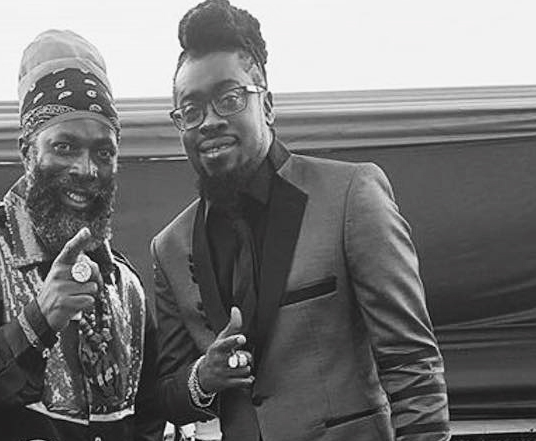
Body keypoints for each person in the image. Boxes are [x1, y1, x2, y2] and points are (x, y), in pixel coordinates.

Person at [151, 1, 450, 440]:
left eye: (229, 99)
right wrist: (203, 377)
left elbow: (411, 362)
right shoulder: (171, 247)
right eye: (191, 110)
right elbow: (166, 394)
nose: (209, 121)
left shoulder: (350, 195)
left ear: (267, 106)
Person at [0, 29, 163, 441]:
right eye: (65, 147)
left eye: (103, 152)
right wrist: (36, 322)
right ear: (27, 152)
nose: (86, 169)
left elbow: (147, 421)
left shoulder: (126, 286)